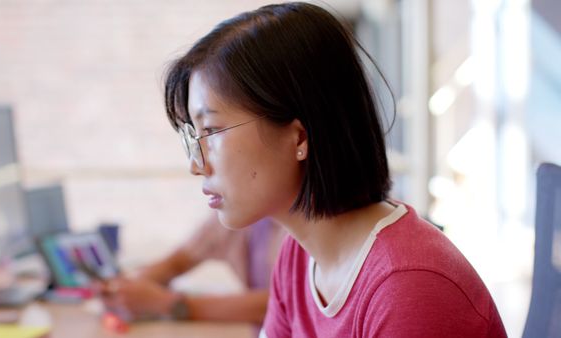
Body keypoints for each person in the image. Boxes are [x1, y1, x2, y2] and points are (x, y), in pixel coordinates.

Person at [162, 2, 507, 337]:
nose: (197, 164)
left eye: (210, 132)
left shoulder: (408, 288)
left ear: (299, 136)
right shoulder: (299, 259)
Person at [98, 212, 284, 324]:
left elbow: (277, 303)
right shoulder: (240, 209)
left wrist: (168, 304)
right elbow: (179, 260)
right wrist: (129, 289)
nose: (197, 169)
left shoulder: (299, 220)